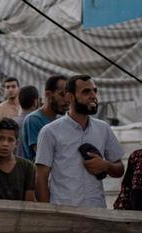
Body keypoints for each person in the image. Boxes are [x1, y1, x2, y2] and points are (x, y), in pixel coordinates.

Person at [35, 75, 124, 207]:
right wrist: (49, 215)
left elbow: (120, 169)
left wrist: (106, 165)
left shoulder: (103, 128)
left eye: (95, 91)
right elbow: (41, 178)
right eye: (86, 92)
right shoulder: (50, 131)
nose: (93, 96)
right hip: (64, 212)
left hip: (96, 211)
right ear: (70, 97)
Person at [20, 76, 67, 161]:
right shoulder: (33, 120)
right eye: (62, 94)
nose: (67, 100)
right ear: (48, 94)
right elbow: (43, 155)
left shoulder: (61, 119)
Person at [0, 119, 36, 201]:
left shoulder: (27, 167)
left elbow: (29, 201)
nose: (5, 144)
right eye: (0, 138)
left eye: (10, 140)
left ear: (16, 144)